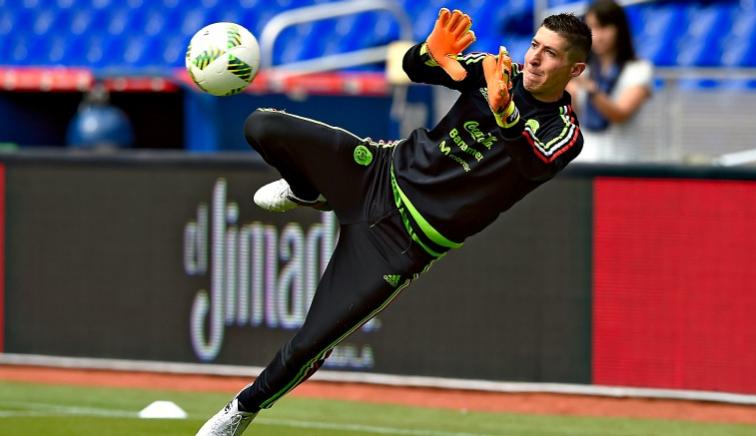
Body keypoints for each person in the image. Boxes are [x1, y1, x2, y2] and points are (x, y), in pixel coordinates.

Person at [196, 8, 591, 436]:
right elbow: (414, 70)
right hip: (377, 172)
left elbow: (532, 163)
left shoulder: (564, 131)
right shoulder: (496, 72)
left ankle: (241, 410)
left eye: (549, 53)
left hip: (401, 243)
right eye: (534, 45)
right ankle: (310, 191)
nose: (534, 57)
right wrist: (429, 52)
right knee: (262, 126)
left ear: (575, 68)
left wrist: (507, 116)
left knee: (311, 343)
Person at [567, 0, 653, 162]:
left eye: (603, 27)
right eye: (591, 27)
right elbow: (570, 109)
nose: (596, 35)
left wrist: (590, 89)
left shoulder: (639, 69)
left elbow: (620, 114)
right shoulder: (584, 68)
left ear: (619, 29)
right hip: (584, 162)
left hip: (621, 165)